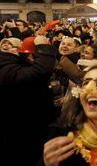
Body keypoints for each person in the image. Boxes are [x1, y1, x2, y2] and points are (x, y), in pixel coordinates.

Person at [0, 36, 58, 165]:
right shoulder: (5, 68)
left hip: (28, 128)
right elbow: (39, 72)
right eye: (20, 47)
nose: (31, 58)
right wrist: (44, 48)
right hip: (19, 133)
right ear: (5, 47)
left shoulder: (14, 64)